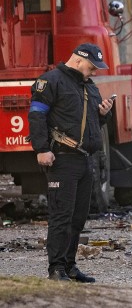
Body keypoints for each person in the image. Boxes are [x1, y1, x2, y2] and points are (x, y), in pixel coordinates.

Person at [27, 43, 115, 282]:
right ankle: (56, 269)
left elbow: (94, 124)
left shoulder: (89, 86)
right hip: (62, 159)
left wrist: (105, 113)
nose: (94, 71)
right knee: (61, 216)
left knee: (78, 218)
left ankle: (70, 266)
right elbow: (36, 116)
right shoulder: (50, 81)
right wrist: (42, 149)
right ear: (77, 60)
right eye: (92, 66)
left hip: (86, 160)